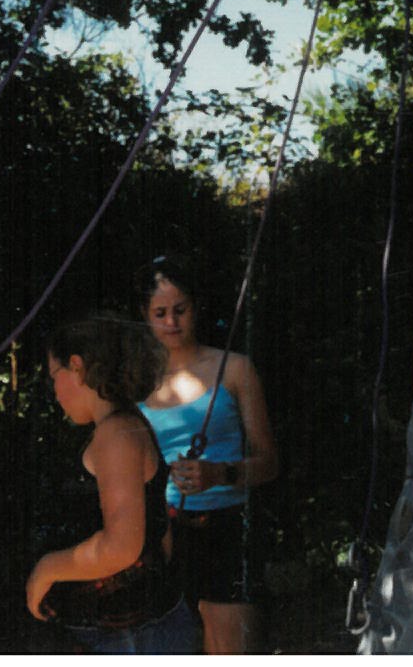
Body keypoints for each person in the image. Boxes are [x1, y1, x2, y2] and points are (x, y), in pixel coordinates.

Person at [27, 313, 199, 654]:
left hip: (127, 635)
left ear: (76, 367)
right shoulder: (128, 425)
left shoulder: (116, 434)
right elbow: (160, 533)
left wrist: (46, 570)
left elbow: (120, 547)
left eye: (53, 376)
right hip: (140, 625)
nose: (55, 392)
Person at [140, 257, 279, 655]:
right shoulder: (138, 384)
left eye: (180, 310)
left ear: (195, 308)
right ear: (145, 318)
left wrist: (220, 473)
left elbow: (270, 461)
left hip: (229, 529)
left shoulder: (234, 369)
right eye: (160, 313)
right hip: (166, 537)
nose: (171, 323)